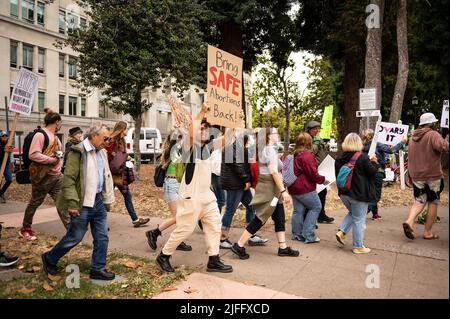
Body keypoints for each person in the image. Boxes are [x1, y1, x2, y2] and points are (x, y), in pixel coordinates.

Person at [156, 103, 233, 273]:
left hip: (207, 196)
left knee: (214, 225)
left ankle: (214, 259)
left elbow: (227, 139)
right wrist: (203, 111)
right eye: (202, 127)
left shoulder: (208, 147)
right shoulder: (187, 146)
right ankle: (164, 255)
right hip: (190, 196)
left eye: (207, 128)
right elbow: (192, 132)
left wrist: (236, 121)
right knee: (185, 229)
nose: (204, 130)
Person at [42, 124, 116, 280]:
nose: (108, 141)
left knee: (102, 237)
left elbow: (105, 176)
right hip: (81, 203)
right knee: (75, 237)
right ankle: (49, 258)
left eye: (109, 138)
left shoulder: (101, 152)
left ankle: (98, 269)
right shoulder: (78, 152)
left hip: (97, 201)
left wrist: (107, 198)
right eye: (105, 138)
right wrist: (73, 203)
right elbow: (68, 180)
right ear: (94, 136)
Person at [231, 127, 299, 260]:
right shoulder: (268, 150)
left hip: (271, 186)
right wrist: (284, 192)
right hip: (270, 187)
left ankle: (283, 247)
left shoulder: (266, 149)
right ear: (268, 136)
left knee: (279, 216)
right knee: (261, 217)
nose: (277, 134)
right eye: (275, 132)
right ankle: (239, 245)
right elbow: (273, 172)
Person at [20, 108, 70, 241]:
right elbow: (33, 154)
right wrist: (51, 160)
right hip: (42, 177)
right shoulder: (40, 135)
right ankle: (25, 228)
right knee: (35, 202)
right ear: (57, 122)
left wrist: (58, 164)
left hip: (56, 176)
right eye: (60, 122)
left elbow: (58, 156)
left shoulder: (56, 138)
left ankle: (71, 230)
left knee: (62, 202)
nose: (61, 125)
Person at [402, 113, 449, 240]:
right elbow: (444, 147)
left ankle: (409, 221)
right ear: (432, 123)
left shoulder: (412, 137)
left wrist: (411, 175)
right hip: (432, 175)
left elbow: (410, 158)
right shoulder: (433, 134)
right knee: (433, 202)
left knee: (419, 200)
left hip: (417, 175)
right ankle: (427, 232)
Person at [219, 130, 268, 249]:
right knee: (230, 210)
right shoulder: (232, 148)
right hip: (235, 184)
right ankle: (222, 239)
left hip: (241, 184)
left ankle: (250, 235)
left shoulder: (240, 148)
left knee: (251, 206)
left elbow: (245, 164)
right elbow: (238, 166)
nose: (250, 141)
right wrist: (247, 180)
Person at [145, 132, 192, 251]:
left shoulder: (182, 151)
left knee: (183, 215)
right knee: (178, 216)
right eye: (178, 139)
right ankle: (154, 233)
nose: (181, 141)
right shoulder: (169, 152)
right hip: (171, 185)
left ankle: (178, 240)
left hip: (181, 186)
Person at [335, 133, 379, 254]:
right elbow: (373, 172)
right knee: (359, 219)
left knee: (354, 213)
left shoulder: (339, 158)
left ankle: (342, 231)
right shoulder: (363, 157)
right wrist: (374, 162)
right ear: (359, 143)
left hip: (344, 193)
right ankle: (358, 246)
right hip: (359, 194)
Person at [106, 121, 149, 227]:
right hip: (111, 174)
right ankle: (100, 222)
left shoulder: (121, 141)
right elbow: (108, 156)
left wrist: (125, 157)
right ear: (122, 129)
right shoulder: (111, 141)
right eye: (126, 128)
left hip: (120, 173)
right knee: (105, 198)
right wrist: (125, 157)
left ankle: (135, 220)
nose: (127, 130)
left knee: (127, 195)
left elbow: (120, 155)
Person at [289, 132, 329, 243]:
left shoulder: (294, 154)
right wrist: (323, 180)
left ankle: (297, 234)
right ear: (309, 142)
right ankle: (309, 235)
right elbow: (313, 174)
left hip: (293, 187)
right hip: (305, 188)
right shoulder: (307, 155)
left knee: (298, 211)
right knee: (316, 207)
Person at [361, 129, 407, 220]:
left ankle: (375, 214)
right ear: (374, 136)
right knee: (376, 196)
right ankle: (362, 212)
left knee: (371, 193)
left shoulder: (362, 146)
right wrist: (402, 142)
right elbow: (391, 150)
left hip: (367, 173)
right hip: (378, 171)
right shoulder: (377, 144)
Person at [306, 121, 334, 224]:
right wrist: (317, 142)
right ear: (309, 130)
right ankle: (310, 220)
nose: (317, 131)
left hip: (322, 169)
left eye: (318, 129)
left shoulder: (318, 139)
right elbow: (311, 152)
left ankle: (321, 215)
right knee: (313, 195)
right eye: (315, 129)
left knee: (323, 192)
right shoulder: (307, 139)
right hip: (313, 170)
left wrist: (323, 143)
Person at [0, 130, 13, 203]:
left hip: (6, 164)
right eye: (3, 136)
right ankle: (2, 196)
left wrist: (12, 163)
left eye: (6, 136)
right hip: (0, 164)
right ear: (0, 137)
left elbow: (10, 154)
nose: (4, 137)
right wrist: (4, 150)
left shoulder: (9, 143)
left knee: (9, 179)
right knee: (0, 181)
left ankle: (1, 193)